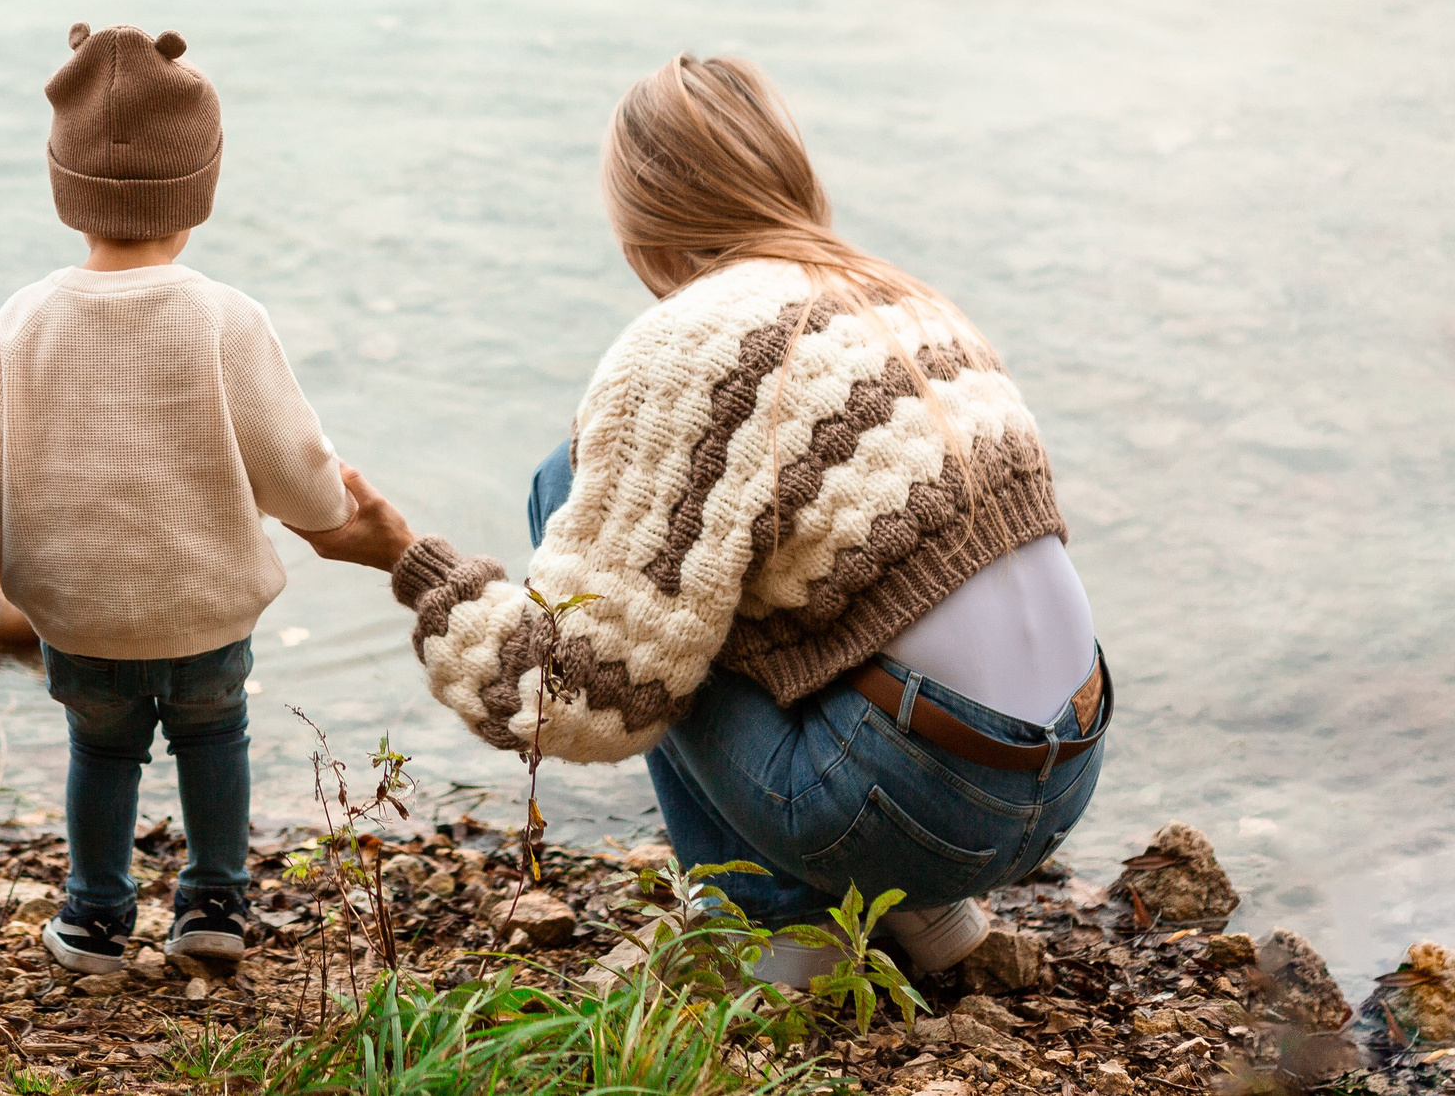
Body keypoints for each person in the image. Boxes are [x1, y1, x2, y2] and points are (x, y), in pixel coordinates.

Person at [305, 54, 1107, 984]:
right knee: (784, 562)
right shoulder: (908, 302)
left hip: (913, 807)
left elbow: (575, 695)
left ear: (640, 217)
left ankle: (766, 925)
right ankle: (926, 918)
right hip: (1060, 780)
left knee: (567, 490)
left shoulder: (688, 346)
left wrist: (407, 560)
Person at [0, 23, 357, 976]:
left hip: (80, 616)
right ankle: (214, 902)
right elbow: (295, 467)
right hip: (204, 606)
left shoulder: (25, 318)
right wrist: (336, 509)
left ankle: (94, 917)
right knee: (215, 737)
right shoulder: (225, 317)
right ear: (201, 191)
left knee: (102, 755)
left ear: (65, 190)